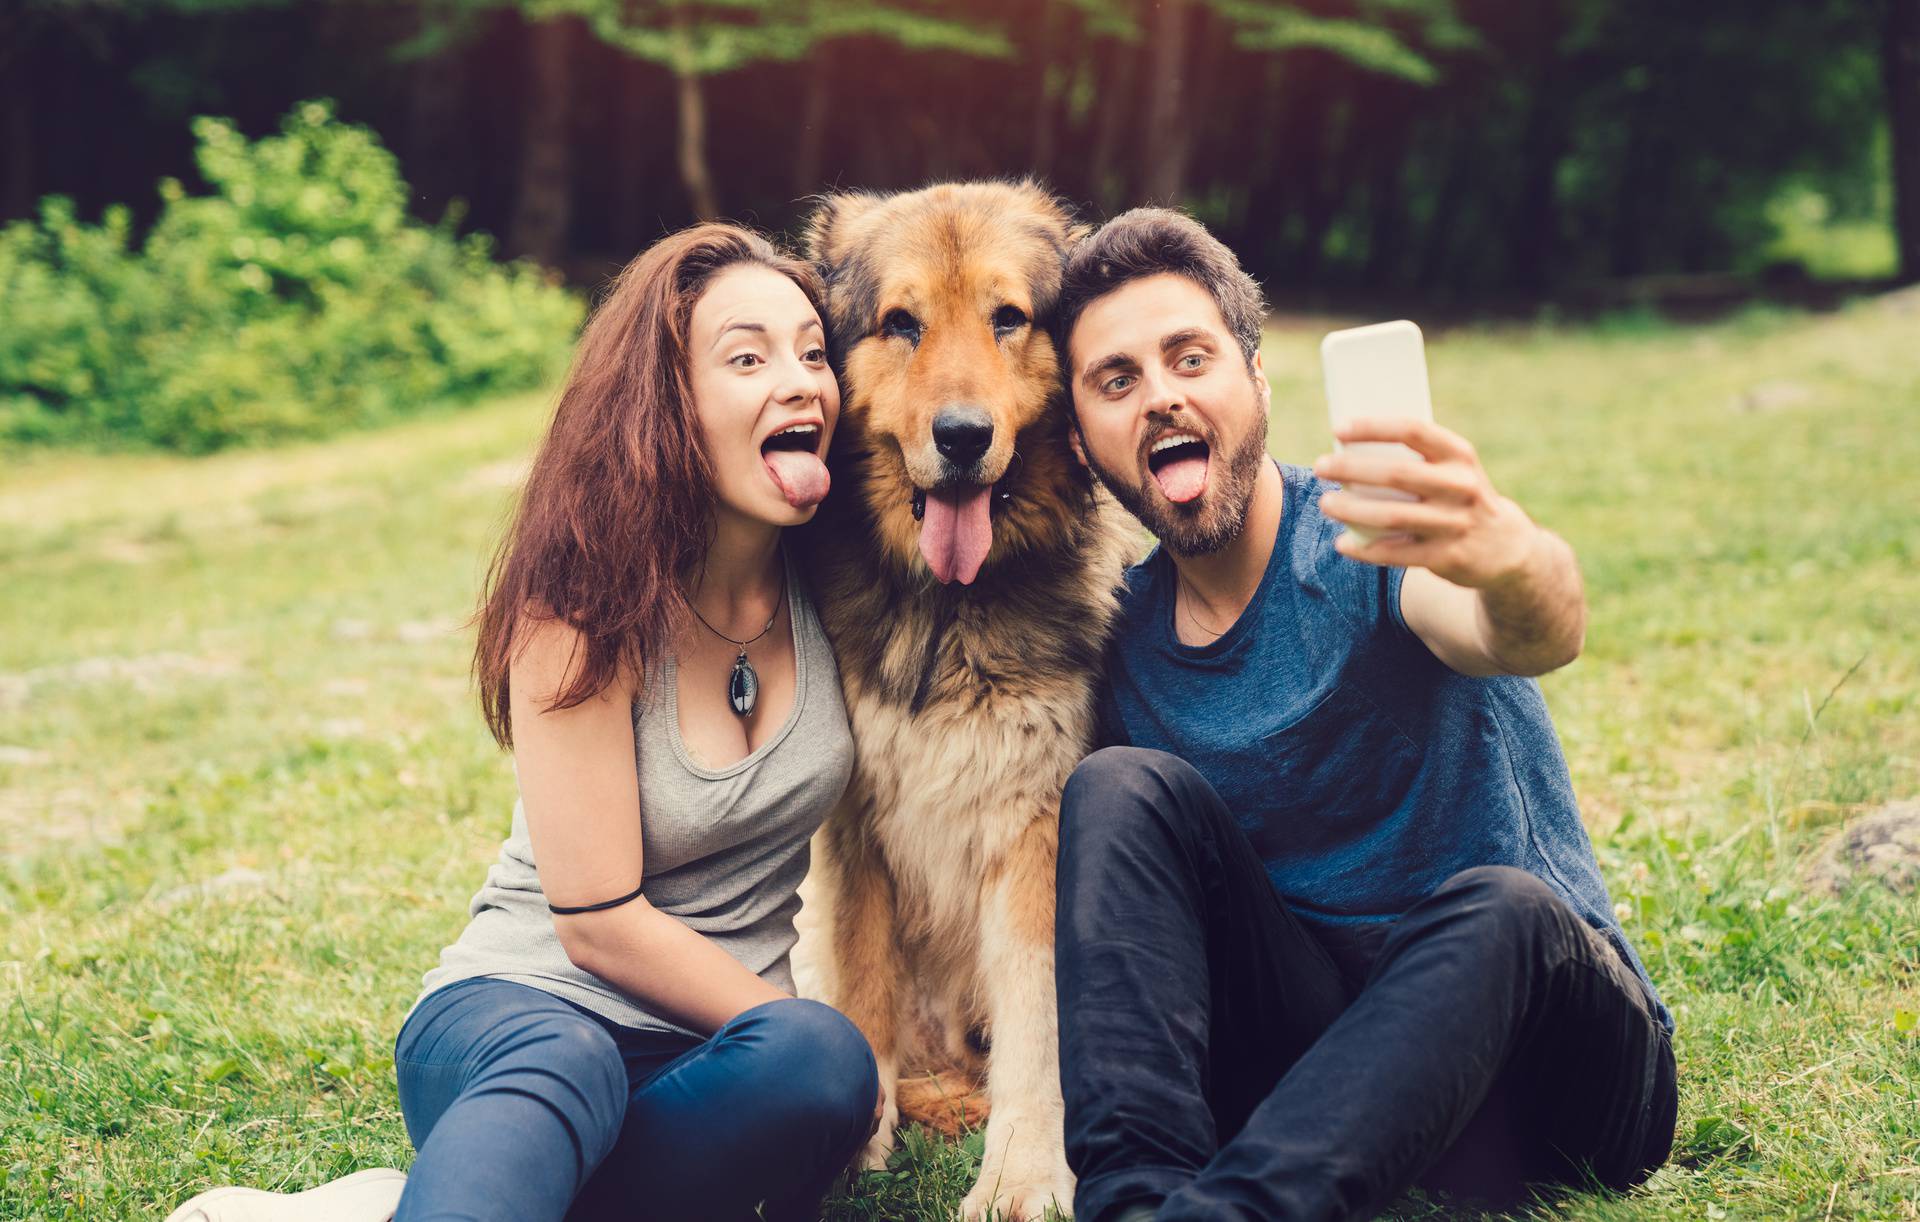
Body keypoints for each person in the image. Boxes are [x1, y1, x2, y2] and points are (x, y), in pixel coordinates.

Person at [165, 223, 878, 1222]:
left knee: (821, 1061)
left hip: (714, 1055)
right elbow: (596, 924)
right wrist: (781, 1019)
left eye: (813, 352)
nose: (803, 382)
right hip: (521, 1018)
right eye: (748, 357)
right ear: (665, 402)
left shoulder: (846, 586)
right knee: (577, 1056)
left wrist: (803, 1048)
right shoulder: (585, 598)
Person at [1049, 208, 1678, 1222]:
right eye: (1117, 380)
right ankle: (1132, 1201)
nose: (1161, 394)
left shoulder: (1369, 542)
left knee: (1504, 906)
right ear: (1082, 445)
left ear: (1254, 380)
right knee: (1115, 787)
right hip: (1321, 1075)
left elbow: (1530, 630)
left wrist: (1508, 555)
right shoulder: (1113, 637)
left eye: (1190, 356)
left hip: (1550, 1073)